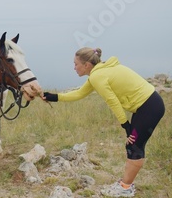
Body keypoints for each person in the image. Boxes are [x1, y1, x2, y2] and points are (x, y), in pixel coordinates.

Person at [42, 47, 165, 197]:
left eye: (76, 64)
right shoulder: (98, 73)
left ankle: (125, 188)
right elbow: (79, 93)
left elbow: (112, 101)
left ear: (87, 65)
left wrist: (126, 126)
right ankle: (125, 185)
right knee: (134, 145)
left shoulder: (97, 76)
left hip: (149, 107)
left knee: (134, 146)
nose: (74, 67)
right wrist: (53, 97)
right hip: (146, 106)